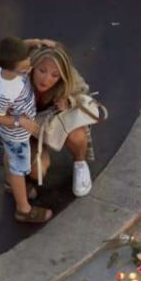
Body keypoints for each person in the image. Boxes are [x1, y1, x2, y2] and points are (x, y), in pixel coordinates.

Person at [0, 36, 55, 224]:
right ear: (10, 67)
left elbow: (21, 47)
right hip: (16, 134)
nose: (29, 70)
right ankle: (23, 209)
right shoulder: (5, 91)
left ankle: (10, 184)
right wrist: (21, 122)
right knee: (18, 168)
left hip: (13, 136)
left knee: (10, 157)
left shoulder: (9, 66)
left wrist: (35, 43)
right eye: (24, 69)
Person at [24, 44, 94, 198]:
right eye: (42, 71)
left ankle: (80, 164)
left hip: (54, 124)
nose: (46, 79)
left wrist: (69, 101)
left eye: (55, 75)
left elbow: (83, 93)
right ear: (33, 66)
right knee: (37, 170)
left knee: (77, 134)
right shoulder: (20, 79)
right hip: (29, 130)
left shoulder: (69, 78)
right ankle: (23, 179)